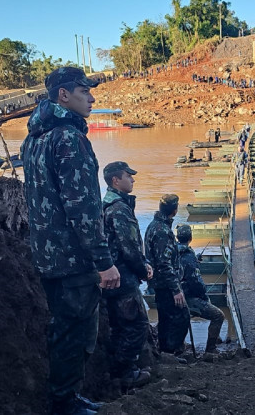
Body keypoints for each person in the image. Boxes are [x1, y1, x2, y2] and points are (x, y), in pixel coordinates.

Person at [21, 66, 120, 415]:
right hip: (74, 259)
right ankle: (65, 403)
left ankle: (67, 398)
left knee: (63, 329)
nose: (92, 97)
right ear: (64, 95)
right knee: (75, 334)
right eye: (84, 91)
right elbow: (82, 207)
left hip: (48, 255)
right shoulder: (68, 137)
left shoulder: (32, 139)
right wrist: (103, 261)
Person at [101, 161, 152, 389]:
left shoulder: (105, 204)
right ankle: (124, 374)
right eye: (128, 176)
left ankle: (115, 371)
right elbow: (129, 247)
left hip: (111, 275)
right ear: (115, 181)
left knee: (119, 325)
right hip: (122, 277)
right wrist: (144, 269)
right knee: (136, 324)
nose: (132, 179)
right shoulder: (120, 208)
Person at [145, 194, 190, 357]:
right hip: (166, 284)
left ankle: (165, 351)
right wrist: (176, 289)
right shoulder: (162, 231)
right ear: (175, 210)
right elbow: (164, 264)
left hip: (159, 283)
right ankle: (172, 352)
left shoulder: (154, 225)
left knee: (165, 318)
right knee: (181, 316)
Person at [176, 225, 226, 353]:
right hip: (187, 298)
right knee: (218, 316)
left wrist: (195, 260)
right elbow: (196, 283)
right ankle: (211, 349)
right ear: (191, 238)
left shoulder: (173, 252)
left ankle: (180, 344)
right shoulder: (188, 256)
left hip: (174, 295)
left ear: (177, 237)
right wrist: (204, 296)